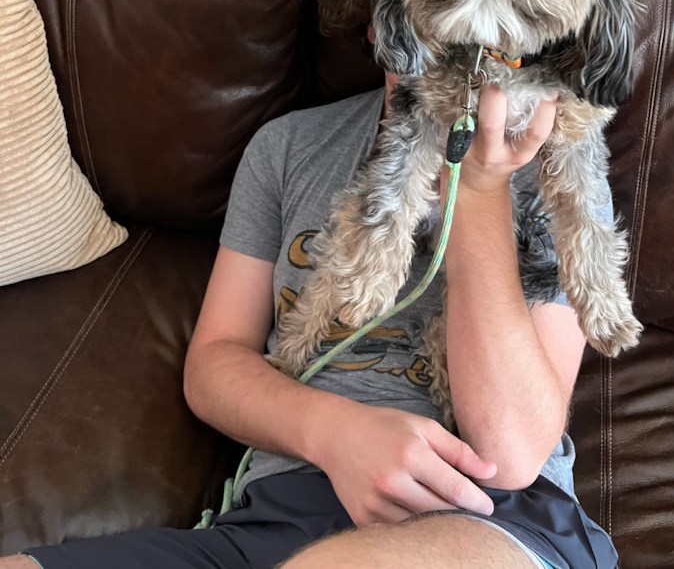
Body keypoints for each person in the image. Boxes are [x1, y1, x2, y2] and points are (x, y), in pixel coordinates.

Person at [5, 70, 619, 569]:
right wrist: (336, 433)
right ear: (385, 22)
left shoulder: (557, 168)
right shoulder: (289, 148)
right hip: (269, 521)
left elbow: (512, 453)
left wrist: (481, 182)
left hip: (491, 516)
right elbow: (214, 364)